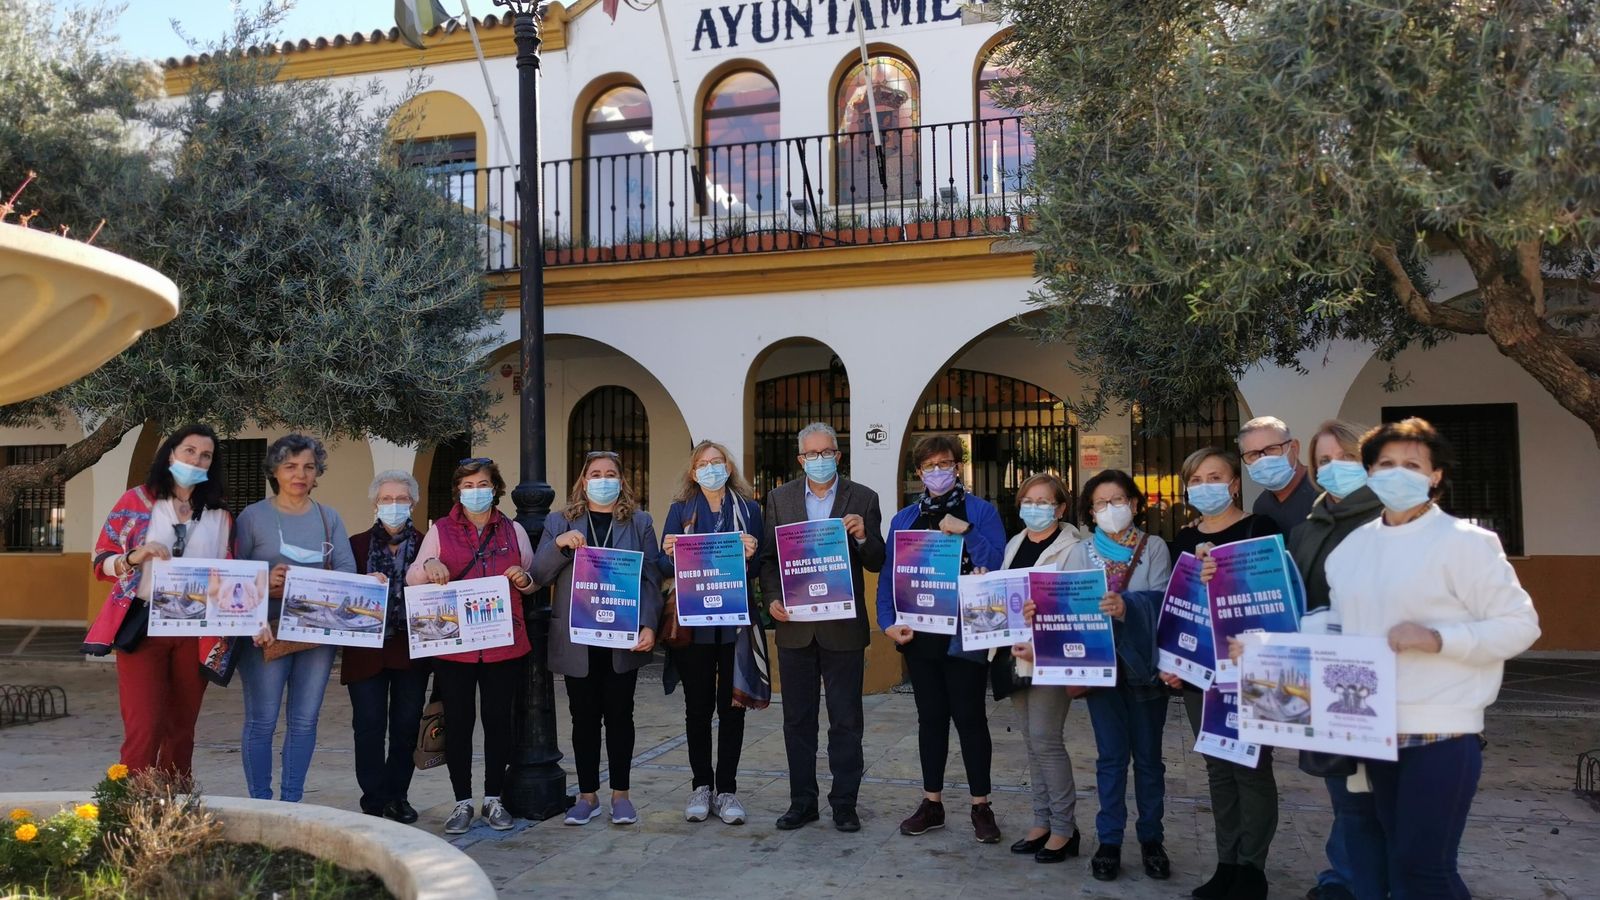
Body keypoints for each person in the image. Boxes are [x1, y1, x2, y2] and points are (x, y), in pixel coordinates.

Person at [1324, 418, 1539, 898]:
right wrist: (1267, 649)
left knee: (1425, 868)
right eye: (1386, 464)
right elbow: (1338, 626)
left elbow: (1521, 625)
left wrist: (1438, 638)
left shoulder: (1466, 543)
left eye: (1412, 464)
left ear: (1435, 475)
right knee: (1390, 859)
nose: (1398, 473)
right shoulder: (1351, 548)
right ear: (1369, 472)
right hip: (1370, 729)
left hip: (1441, 733)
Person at [1162, 447, 1281, 900]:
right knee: (1217, 765)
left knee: (1251, 764)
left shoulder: (1259, 528)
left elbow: (1272, 592)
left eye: (1216, 477)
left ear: (1234, 483)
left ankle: (1253, 868)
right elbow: (1178, 608)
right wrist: (1172, 662)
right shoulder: (1182, 539)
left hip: (1251, 665)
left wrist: (1224, 571)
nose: (1205, 486)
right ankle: (1226, 862)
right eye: (1196, 479)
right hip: (1201, 669)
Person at [877, 435, 1008, 843]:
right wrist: (886, 622)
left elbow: (998, 562)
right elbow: (888, 577)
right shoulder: (904, 519)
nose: (938, 471)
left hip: (967, 632)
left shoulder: (981, 511)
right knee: (930, 719)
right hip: (920, 635)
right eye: (929, 466)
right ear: (918, 473)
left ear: (958, 466)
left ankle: (981, 805)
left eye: (945, 463)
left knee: (970, 718)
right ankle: (931, 803)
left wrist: (966, 532)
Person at [756, 422, 885, 833]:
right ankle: (802, 802)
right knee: (797, 720)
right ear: (800, 459)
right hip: (795, 626)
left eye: (826, 452)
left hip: (842, 628)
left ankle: (845, 804)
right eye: (811, 454)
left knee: (846, 719)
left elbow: (877, 560)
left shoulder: (863, 498)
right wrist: (772, 597)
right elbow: (769, 561)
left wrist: (864, 537)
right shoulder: (778, 499)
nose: (819, 459)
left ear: (838, 455)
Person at [83, 424, 233, 778]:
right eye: (189, 451)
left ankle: (174, 812)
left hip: (196, 631)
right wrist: (134, 557)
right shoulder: (135, 501)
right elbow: (101, 561)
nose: (197, 459)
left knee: (181, 729)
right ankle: (129, 809)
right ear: (171, 454)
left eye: (206, 455)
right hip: (143, 626)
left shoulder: (220, 515)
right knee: (144, 726)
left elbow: (229, 573)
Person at [532, 451, 662, 827]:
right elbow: (538, 574)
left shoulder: (640, 522)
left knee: (621, 716)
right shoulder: (560, 521)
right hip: (578, 639)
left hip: (622, 636)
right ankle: (587, 796)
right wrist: (560, 546)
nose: (603, 480)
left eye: (610, 474)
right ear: (583, 481)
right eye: (595, 474)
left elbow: (651, 578)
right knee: (583, 717)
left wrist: (649, 624)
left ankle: (621, 796)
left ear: (621, 481)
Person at [408, 457, 537, 834]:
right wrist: (430, 564)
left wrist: (523, 578)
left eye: (483, 484)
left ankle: (494, 799)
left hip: (503, 645)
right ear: (458, 491)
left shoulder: (514, 531)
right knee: (459, 723)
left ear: (495, 488)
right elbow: (415, 576)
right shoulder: (440, 530)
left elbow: (531, 579)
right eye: (468, 485)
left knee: (498, 722)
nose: (476, 492)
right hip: (455, 648)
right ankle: (462, 800)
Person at [1288, 421, 1387, 900]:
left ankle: (1369, 881)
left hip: (1379, 677)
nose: (1333, 468)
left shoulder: (1392, 521)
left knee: (1375, 794)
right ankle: (1346, 877)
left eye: (1345, 457)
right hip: (1320, 675)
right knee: (1345, 790)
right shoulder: (1307, 529)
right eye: (1323, 461)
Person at [234, 434, 361, 802]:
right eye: (290, 466)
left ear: (318, 472)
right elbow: (232, 575)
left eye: (308, 467)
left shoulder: (328, 517)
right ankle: (261, 801)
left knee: (305, 721)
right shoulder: (253, 516)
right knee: (263, 720)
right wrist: (264, 578)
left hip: (315, 635)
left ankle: (292, 801)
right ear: (274, 471)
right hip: (265, 635)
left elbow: (346, 571)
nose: (299, 474)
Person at [1061, 469, 1174, 882]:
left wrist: (1129, 607)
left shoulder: (1154, 547)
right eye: (1100, 503)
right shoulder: (1080, 551)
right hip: (1099, 670)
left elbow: (1163, 602)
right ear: (1090, 512)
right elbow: (1065, 601)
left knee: (1148, 760)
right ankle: (1108, 839)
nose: (1111, 509)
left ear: (1135, 503)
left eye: (1118, 500)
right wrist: (1039, 613)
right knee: (1110, 758)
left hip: (1144, 668)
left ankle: (1151, 838)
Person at [658, 440, 765, 826]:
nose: (710, 468)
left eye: (717, 461)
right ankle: (701, 786)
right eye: (703, 463)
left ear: (728, 467)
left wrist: (753, 552)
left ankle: (728, 789)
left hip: (734, 623)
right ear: (693, 472)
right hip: (694, 625)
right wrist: (668, 549)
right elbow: (661, 561)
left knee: (732, 707)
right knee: (697, 708)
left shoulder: (749, 510)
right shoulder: (681, 510)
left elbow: (760, 566)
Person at [998, 474, 1086, 863]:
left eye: (1043, 501)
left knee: (1047, 739)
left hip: (1050, 655)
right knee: (1032, 743)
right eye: (1027, 500)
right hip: (1015, 653)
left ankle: (1065, 829)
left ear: (1061, 507)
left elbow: (1078, 603)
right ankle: (1041, 821)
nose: (1034, 507)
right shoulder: (1016, 542)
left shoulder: (1075, 548)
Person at [344, 470, 429, 824]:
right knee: (368, 725)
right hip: (367, 651)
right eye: (386, 499)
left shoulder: (428, 546)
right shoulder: (356, 545)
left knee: (407, 726)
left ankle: (398, 795)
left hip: (411, 650)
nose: (394, 505)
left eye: (401, 499)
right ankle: (374, 798)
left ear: (412, 503)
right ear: (375, 503)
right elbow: (341, 594)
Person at [1238, 416, 1316, 535]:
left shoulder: (1326, 489)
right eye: (1253, 454)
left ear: (1294, 448)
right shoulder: (1261, 506)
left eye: (1271, 449)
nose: (1263, 460)